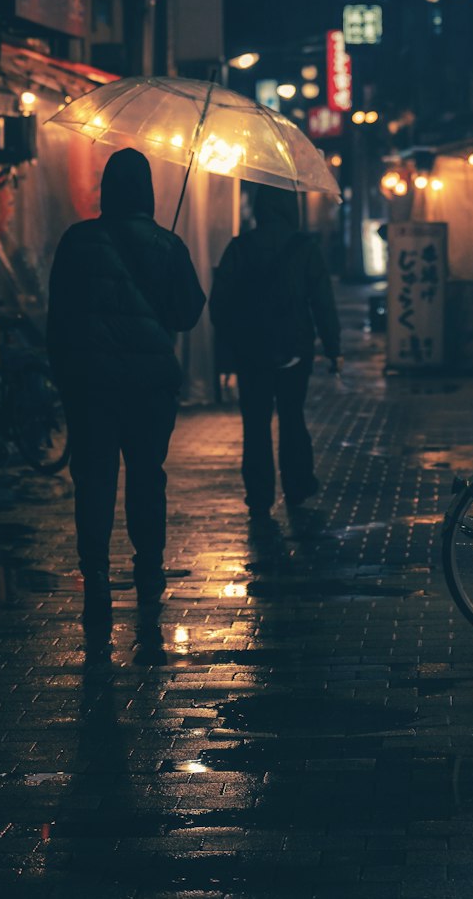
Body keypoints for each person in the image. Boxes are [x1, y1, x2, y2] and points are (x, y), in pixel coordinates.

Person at [47, 147, 205, 657]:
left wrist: (64, 378)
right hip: (149, 387)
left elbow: (59, 320)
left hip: (90, 386)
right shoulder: (167, 244)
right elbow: (186, 316)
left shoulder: (77, 241)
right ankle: (149, 572)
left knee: (93, 481)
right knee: (146, 476)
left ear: (107, 190)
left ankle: (95, 579)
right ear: (150, 192)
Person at [209, 183, 341, 524]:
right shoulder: (304, 247)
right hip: (294, 350)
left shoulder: (240, 247)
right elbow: (322, 301)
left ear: (259, 207)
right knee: (292, 417)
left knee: (254, 424)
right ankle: (297, 486)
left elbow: (220, 302)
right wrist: (332, 347)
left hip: (250, 353)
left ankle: (259, 496)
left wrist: (231, 346)